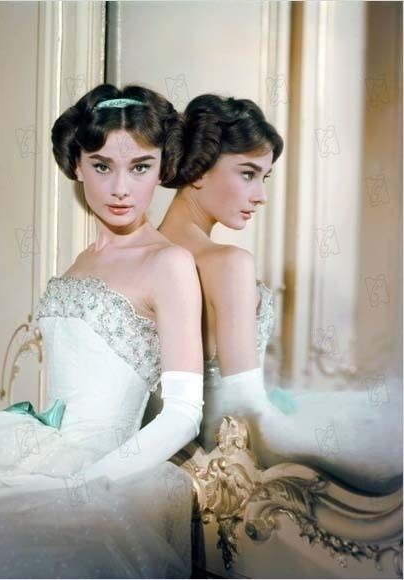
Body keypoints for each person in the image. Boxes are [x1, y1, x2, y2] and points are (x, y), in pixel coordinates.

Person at [0, 84, 205, 579]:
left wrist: (77, 486)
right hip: (41, 444)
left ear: (162, 168)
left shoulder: (168, 263)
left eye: (140, 167)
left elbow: (183, 415)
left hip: (100, 467)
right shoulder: (83, 259)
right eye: (102, 165)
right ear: (77, 165)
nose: (120, 189)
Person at [158, 93, 403, 494]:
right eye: (248, 174)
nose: (261, 196)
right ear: (198, 170)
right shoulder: (229, 263)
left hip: (180, 449)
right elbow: (245, 409)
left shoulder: (145, 255)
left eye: (264, 178)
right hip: (227, 443)